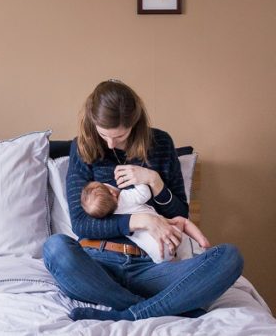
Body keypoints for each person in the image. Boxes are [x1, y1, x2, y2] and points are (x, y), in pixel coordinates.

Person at [43, 79, 243, 322]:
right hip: (96, 266)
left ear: (134, 124)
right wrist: (141, 220)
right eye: (103, 134)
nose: (110, 143)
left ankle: (126, 313)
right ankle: (157, 307)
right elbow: (82, 224)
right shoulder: (83, 148)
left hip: (152, 266)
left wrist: (154, 181)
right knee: (55, 248)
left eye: (119, 135)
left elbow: (181, 212)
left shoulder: (160, 143)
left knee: (229, 257)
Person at [80, 180, 210, 263]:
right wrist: (137, 178)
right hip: (168, 236)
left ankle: (183, 262)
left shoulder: (113, 219)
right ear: (112, 192)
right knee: (182, 221)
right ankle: (203, 243)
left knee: (177, 261)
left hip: (157, 255)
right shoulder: (125, 198)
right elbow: (145, 192)